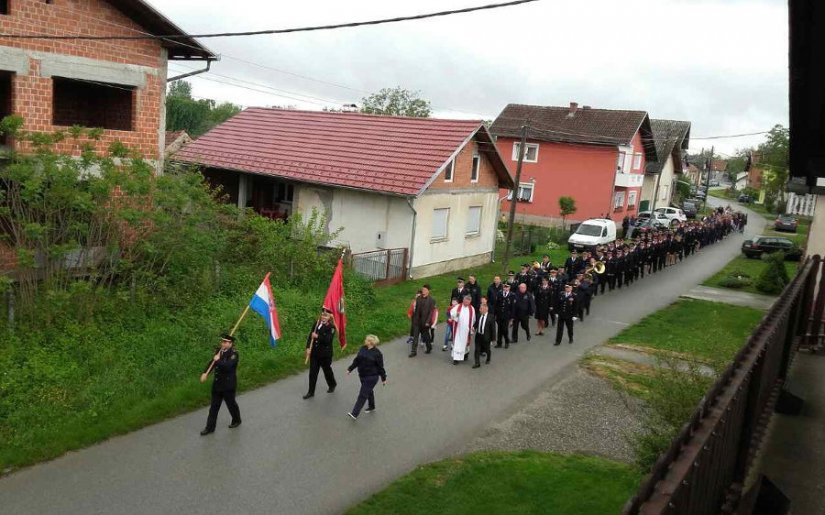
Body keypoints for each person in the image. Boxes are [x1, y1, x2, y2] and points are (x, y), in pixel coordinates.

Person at [200, 334, 241, 435]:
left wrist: (218, 360)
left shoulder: (234, 354)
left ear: (230, 344)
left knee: (231, 404)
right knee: (214, 406)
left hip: (228, 385)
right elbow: (212, 363)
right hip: (217, 384)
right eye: (222, 341)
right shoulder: (219, 351)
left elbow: (227, 366)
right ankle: (210, 427)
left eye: (225, 342)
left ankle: (236, 419)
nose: (223, 343)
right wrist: (205, 373)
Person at [346, 334, 387, 420]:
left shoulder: (377, 354)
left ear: (371, 342)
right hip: (362, 375)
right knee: (369, 391)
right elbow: (357, 360)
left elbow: (380, 367)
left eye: (367, 340)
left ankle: (354, 413)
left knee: (363, 395)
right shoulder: (363, 348)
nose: (365, 340)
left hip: (371, 377)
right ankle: (372, 406)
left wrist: (383, 378)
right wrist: (350, 369)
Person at [303, 310, 337, 399]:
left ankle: (332, 384)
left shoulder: (332, 327)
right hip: (314, 353)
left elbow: (328, 340)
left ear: (330, 317)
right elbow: (310, 336)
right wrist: (308, 348)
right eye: (322, 315)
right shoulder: (316, 323)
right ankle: (311, 392)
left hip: (325, 354)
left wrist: (317, 336)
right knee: (312, 373)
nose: (323, 317)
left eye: (326, 316)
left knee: (327, 371)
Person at [409, 284, 436, 357]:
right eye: (422, 289)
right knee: (415, 337)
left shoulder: (432, 300)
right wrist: (414, 319)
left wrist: (427, 322)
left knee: (426, 336)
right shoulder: (418, 298)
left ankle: (429, 347)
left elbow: (431, 312)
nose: (423, 291)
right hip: (417, 321)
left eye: (424, 290)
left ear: (428, 291)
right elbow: (416, 310)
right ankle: (413, 351)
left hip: (425, 322)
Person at [449, 295, 476, 365]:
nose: (467, 302)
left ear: (470, 301)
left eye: (468, 300)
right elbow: (452, 315)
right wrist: (456, 314)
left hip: (466, 330)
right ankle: (456, 359)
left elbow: (473, 319)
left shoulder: (472, 309)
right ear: (463, 300)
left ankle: (465, 355)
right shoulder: (458, 307)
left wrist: (472, 328)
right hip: (458, 330)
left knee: (466, 343)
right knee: (457, 344)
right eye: (466, 300)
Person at [473, 303, 495, 369]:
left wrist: (493, 339)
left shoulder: (491, 317)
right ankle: (477, 363)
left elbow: (493, 329)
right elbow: (476, 323)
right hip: (478, 336)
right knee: (477, 350)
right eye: (480, 308)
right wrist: (473, 327)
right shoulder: (479, 315)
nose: (479, 310)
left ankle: (488, 358)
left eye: (481, 309)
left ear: (486, 309)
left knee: (487, 349)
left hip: (486, 337)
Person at [494, 283, 514, 349]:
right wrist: (495, 314)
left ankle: (507, 342)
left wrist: (511, 318)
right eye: (504, 287)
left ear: (509, 287)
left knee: (505, 329)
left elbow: (512, 307)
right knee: (499, 329)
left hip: (507, 315)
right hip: (499, 315)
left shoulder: (512, 295)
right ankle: (499, 343)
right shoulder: (499, 294)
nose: (505, 288)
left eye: (507, 287)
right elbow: (496, 304)